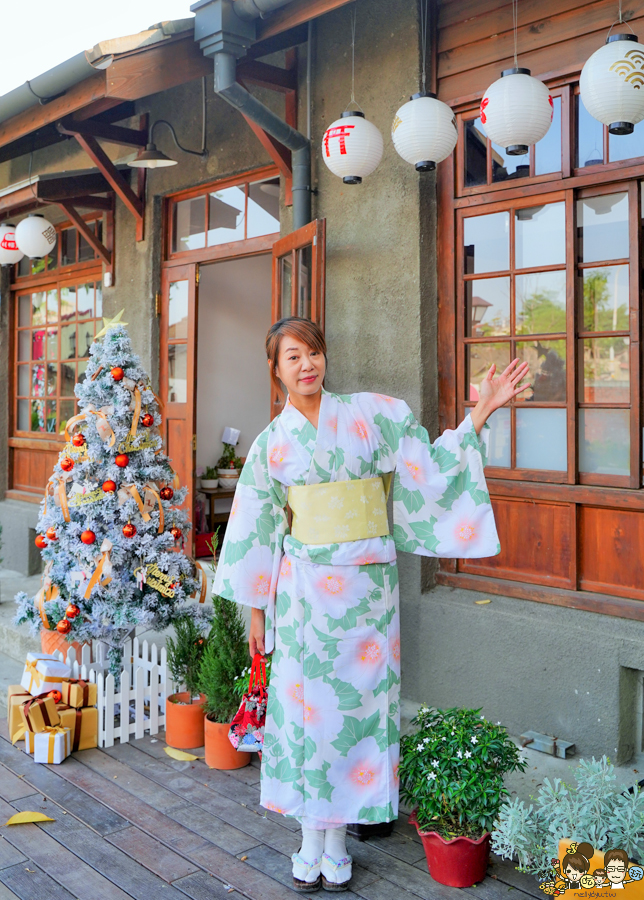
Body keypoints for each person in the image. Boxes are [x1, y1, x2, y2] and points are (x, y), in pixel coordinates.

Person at [212, 316, 529, 892]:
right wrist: (255, 611)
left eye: (313, 353)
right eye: (292, 357)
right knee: (308, 716)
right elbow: (255, 531)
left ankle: (337, 843)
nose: (306, 365)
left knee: (355, 715)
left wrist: (481, 411)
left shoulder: (370, 413)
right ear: (275, 369)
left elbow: (425, 468)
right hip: (304, 593)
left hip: (369, 598)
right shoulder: (271, 445)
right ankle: (311, 838)